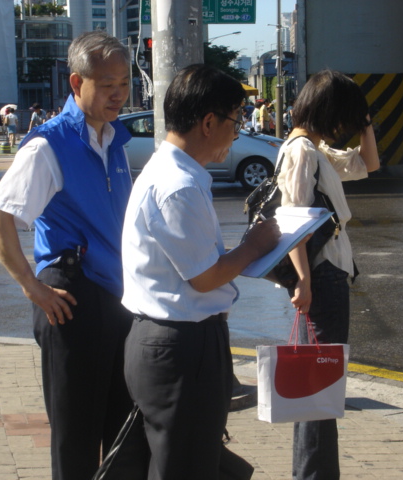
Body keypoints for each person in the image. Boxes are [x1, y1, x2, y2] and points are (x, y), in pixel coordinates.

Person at [0, 30, 133, 480]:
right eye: (107, 84)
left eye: (124, 83)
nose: (118, 94)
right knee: (77, 436)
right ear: (76, 83)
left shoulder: (114, 140)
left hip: (120, 300)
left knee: (123, 431)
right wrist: (33, 287)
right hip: (74, 301)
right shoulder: (50, 145)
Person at [121, 64, 281, 480]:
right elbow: (206, 277)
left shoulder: (178, 175)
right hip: (180, 347)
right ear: (209, 122)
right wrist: (255, 246)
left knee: (187, 461)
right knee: (185, 466)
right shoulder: (179, 185)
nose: (237, 130)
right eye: (235, 119)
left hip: (177, 342)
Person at [276, 69, 379, 480]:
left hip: (329, 275)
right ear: (328, 112)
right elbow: (292, 219)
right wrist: (302, 280)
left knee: (320, 389)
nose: (346, 129)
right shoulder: (302, 151)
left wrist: (367, 120)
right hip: (322, 278)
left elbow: (368, 163)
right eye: (346, 118)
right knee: (317, 392)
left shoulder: (313, 149)